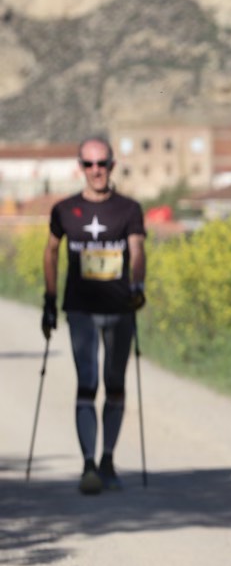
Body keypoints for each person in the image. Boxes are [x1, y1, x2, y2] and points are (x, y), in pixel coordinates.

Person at [42, 135, 147, 494]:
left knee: (114, 384)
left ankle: (108, 460)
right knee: (87, 382)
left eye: (102, 163)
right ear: (80, 168)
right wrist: (49, 300)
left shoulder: (129, 209)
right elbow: (51, 251)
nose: (96, 171)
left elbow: (137, 250)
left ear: (112, 165)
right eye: (89, 164)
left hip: (119, 310)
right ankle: (88, 464)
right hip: (81, 309)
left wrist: (137, 287)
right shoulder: (64, 209)